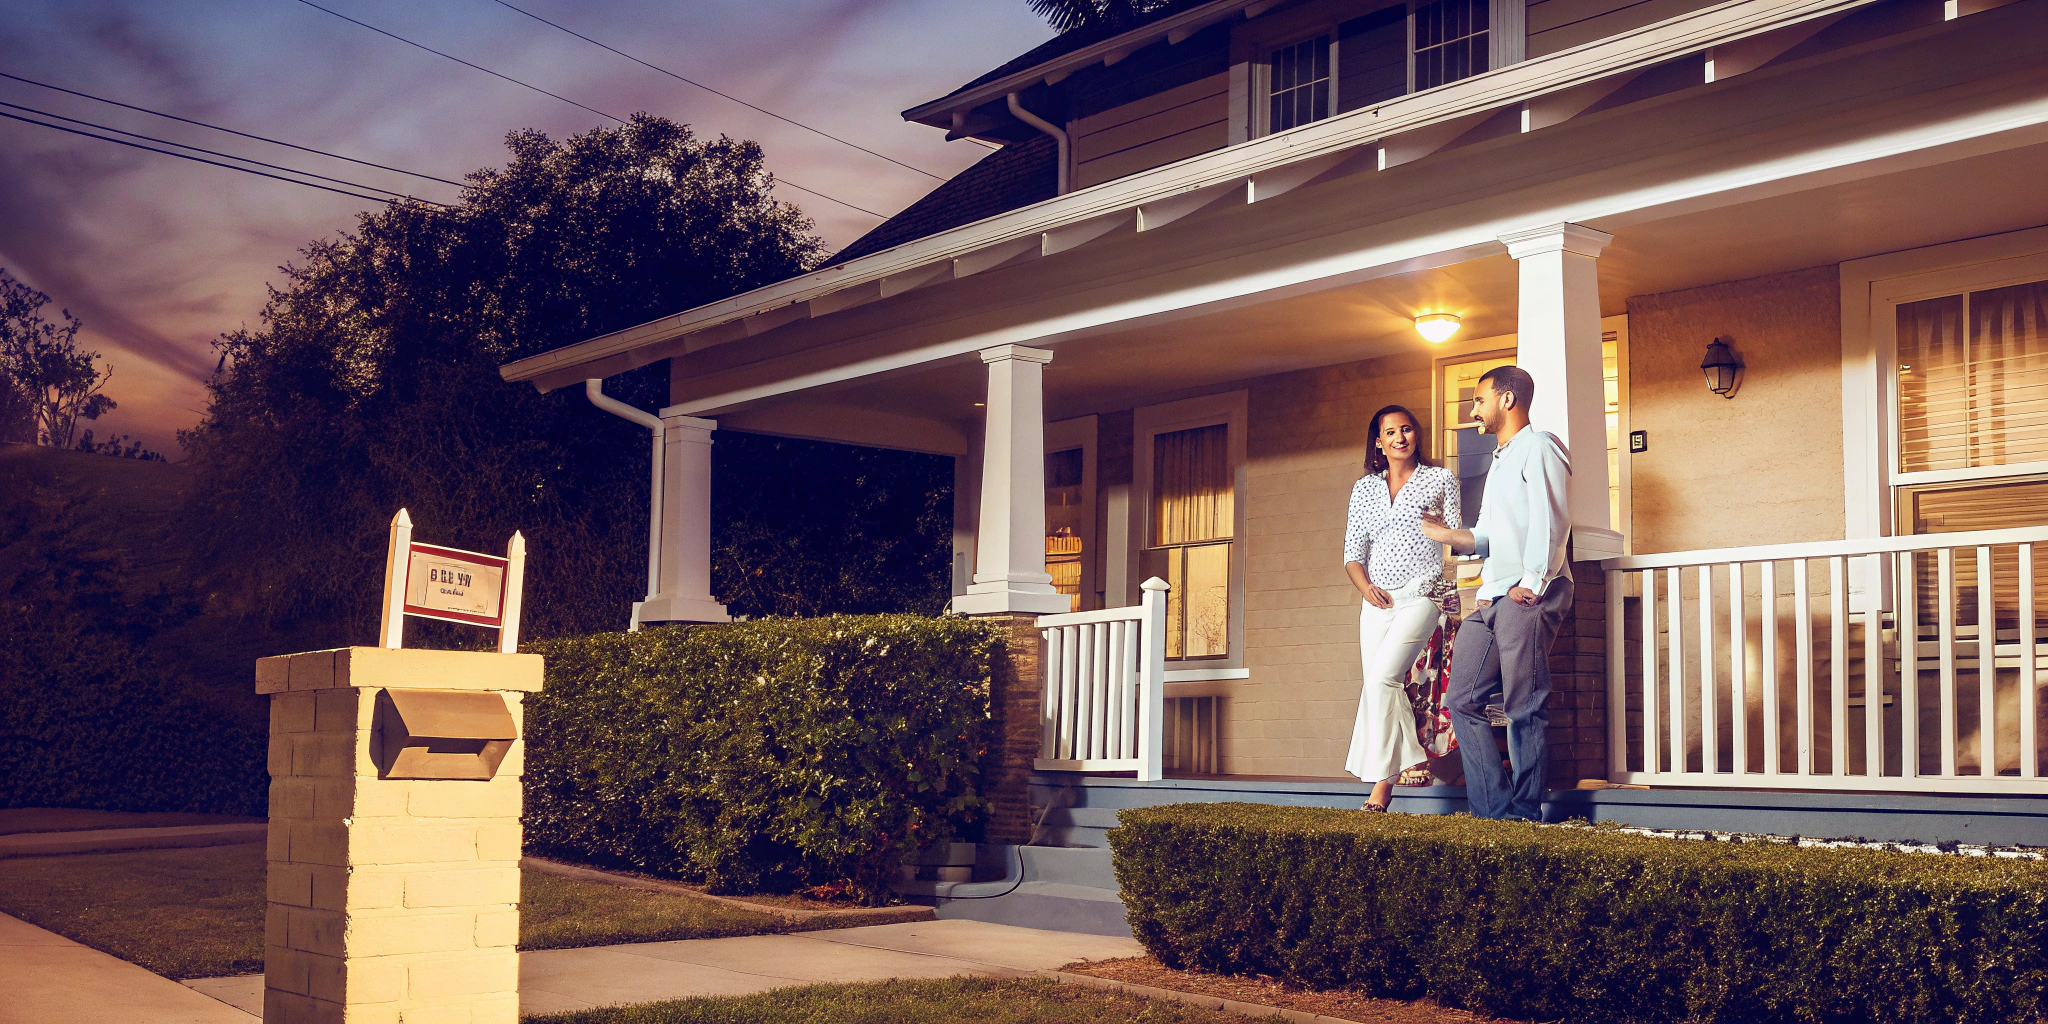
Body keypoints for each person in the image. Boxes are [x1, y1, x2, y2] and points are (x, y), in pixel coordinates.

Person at [1419, 366, 1572, 822]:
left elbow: (1551, 519)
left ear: (1507, 400)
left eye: (1479, 400)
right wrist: (1443, 533)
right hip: (1493, 597)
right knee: (1461, 699)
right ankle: (1494, 812)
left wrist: (1533, 581)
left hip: (1526, 593)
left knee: (1525, 705)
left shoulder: (1540, 447)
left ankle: (1525, 812)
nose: (1473, 410)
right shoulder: (1501, 460)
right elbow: (1484, 537)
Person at [1342, 404, 1460, 812]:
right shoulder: (1365, 489)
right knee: (1377, 687)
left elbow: (1457, 541)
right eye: (1390, 432)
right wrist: (1366, 588)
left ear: (1416, 434)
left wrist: (1441, 531)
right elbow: (1352, 554)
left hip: (1423, 592)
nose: (1400, 437)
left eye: (1406, 429)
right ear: (1379, 441)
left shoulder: (1440, 479)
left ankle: (1383, 785)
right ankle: (1399, 768)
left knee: (1381, 681)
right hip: (1376, 600)